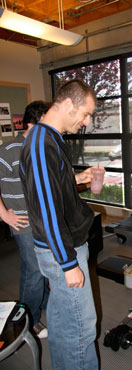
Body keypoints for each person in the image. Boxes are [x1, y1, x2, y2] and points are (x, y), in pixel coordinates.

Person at [19, 79, 98, 370]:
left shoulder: (52, 139)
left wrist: (78, 178)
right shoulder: (41, 143)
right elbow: (47, 210)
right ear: (67, 105)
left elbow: (52, 189)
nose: (86, 121)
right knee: (79, 328)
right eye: (85, 113)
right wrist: (68, 263)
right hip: (62, 251)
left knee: (65, 323)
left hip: (65, 246)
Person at [0, 101, 50, 339]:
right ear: (31, 124)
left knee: (33, 270)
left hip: (41, 220)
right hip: (22, 223)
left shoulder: (39, 147)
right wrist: (4, 214)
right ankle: (31, 320)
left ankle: (30, 306)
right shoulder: (9, 149)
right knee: (35, 271)